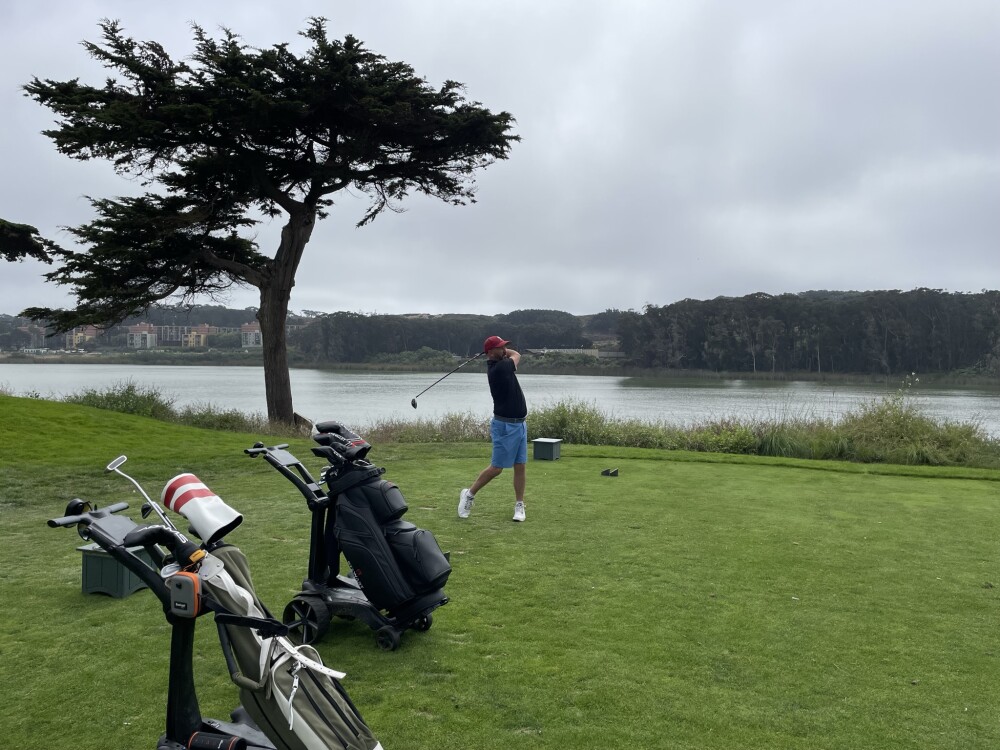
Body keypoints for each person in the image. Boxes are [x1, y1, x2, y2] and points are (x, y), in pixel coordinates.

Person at [459, 335, 528, 522]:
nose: (505, 349)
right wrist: (505, 352)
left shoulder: (499, 363)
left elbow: (511, 352)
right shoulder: (500, 368)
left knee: (520, 466)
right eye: (500, 347)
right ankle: (469, 494)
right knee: (497, 468)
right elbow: (517, 354)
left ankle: (519, 505)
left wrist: (499, 349)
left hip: (520, 424)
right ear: (490, 353)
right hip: (505, 426)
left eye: (504, 346)